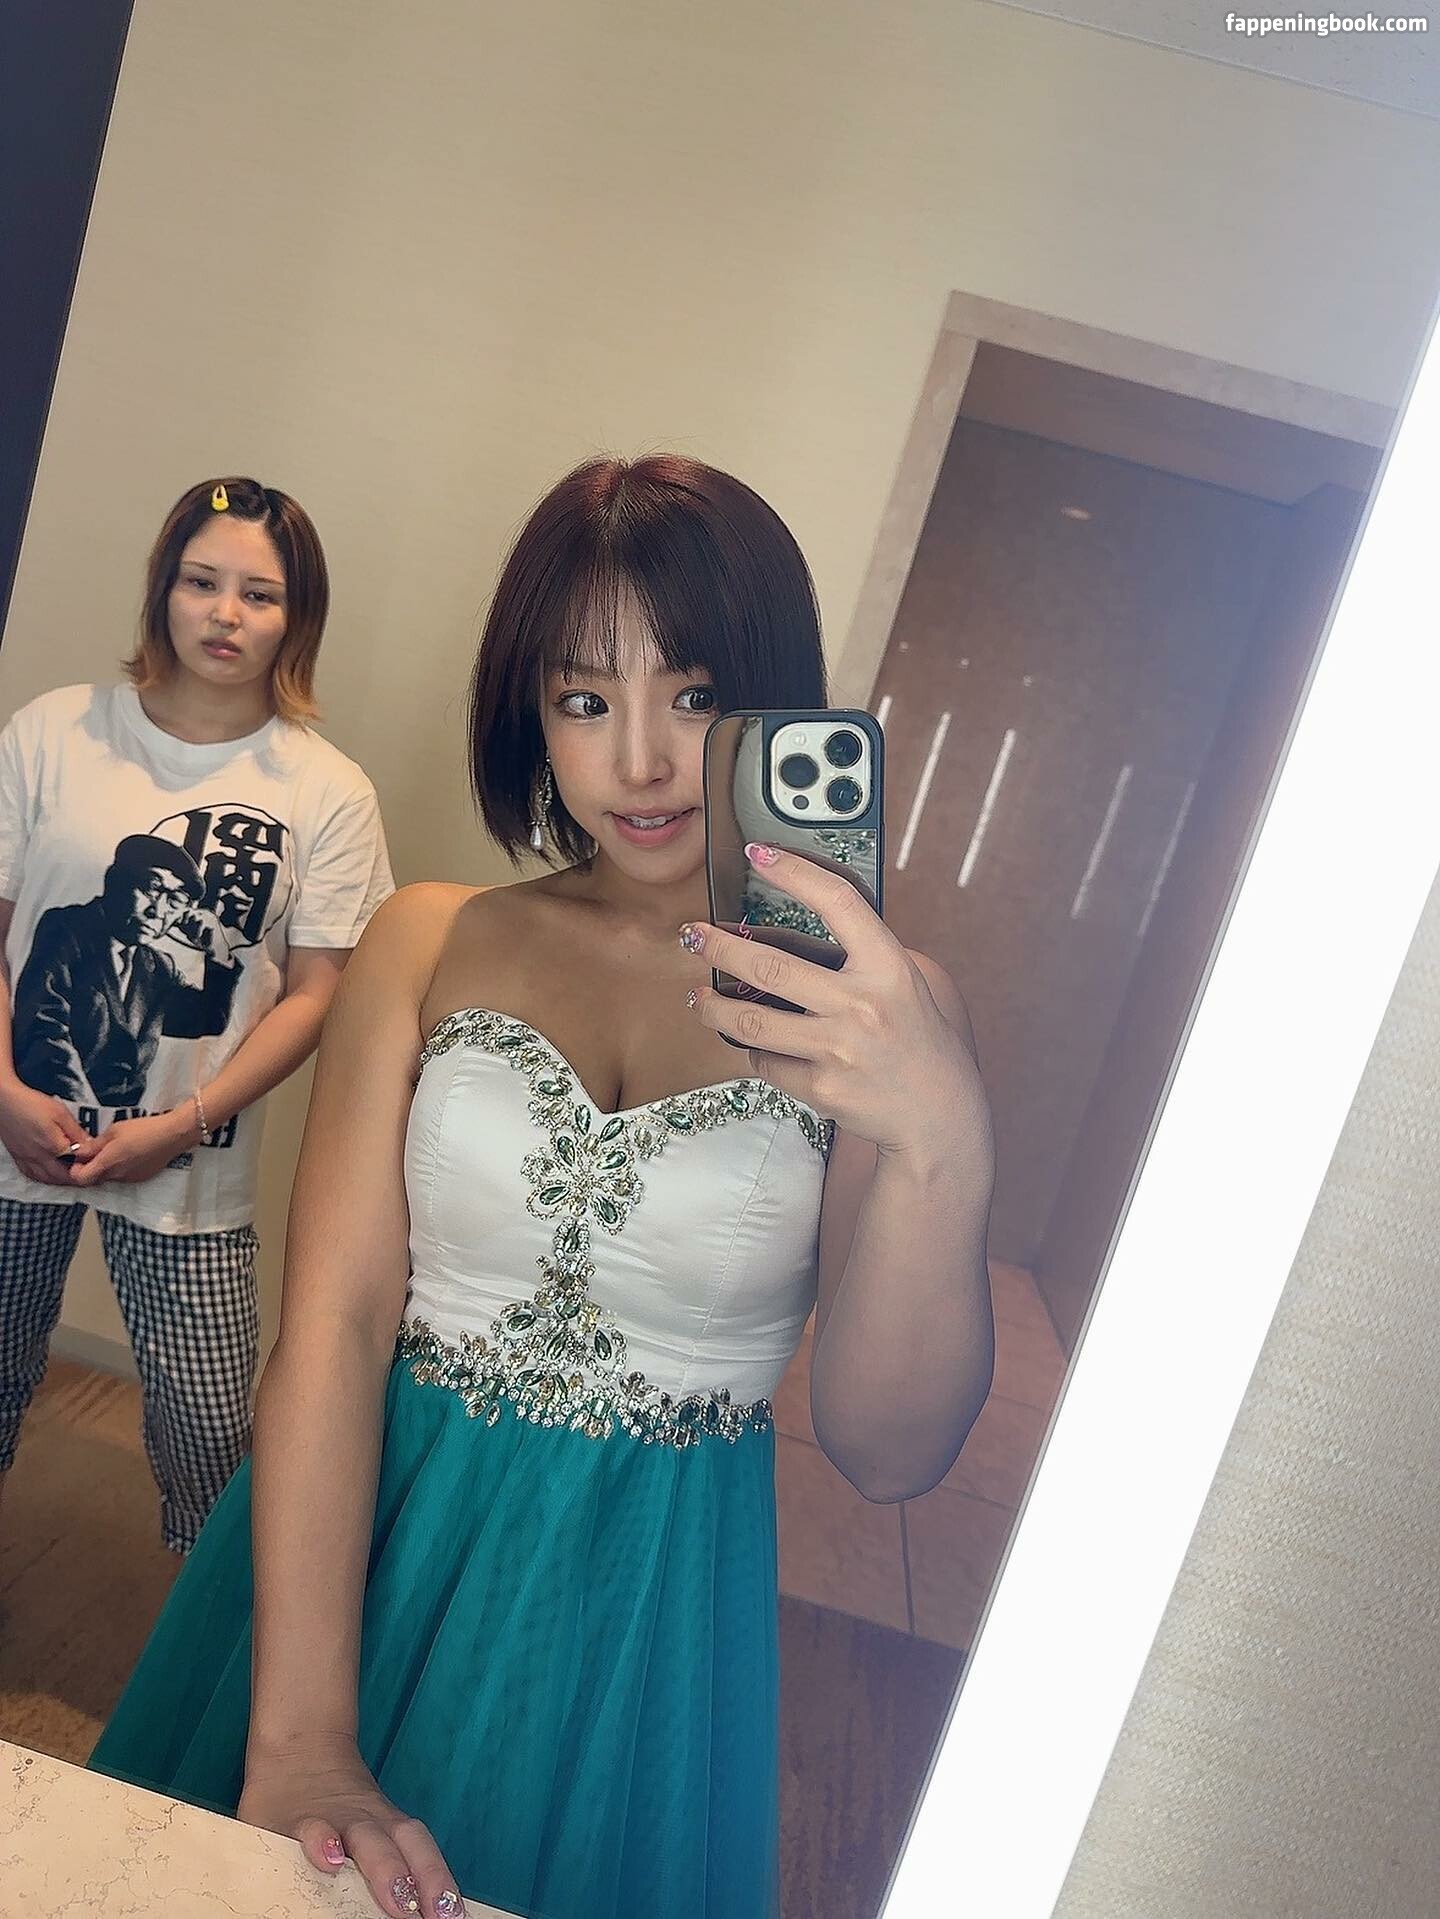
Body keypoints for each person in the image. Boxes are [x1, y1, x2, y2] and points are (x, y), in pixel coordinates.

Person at [89, 456, 996, 1919]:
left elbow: (889, 1451)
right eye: (584, 697)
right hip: (359, 1547)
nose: (640, 759)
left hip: (643, 1614)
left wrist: (947, 1138)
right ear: (531, 709)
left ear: (777, 704)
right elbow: (335, 1327)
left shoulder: (884, 1013)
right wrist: (304, 1735)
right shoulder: (426, 935)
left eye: (695, 694)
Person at [0, 477, 394, 1554]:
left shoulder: (326, 790)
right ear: (161, 590)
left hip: (189, 1155)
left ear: (296, 617)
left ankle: (206, 1640)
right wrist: (6, 1094)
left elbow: (316, 990)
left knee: (209, 1429)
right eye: (200, 582)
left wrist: (182, 1121)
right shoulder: (54, 731)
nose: (225, 615)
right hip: (15, 1132)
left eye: (259, 594)